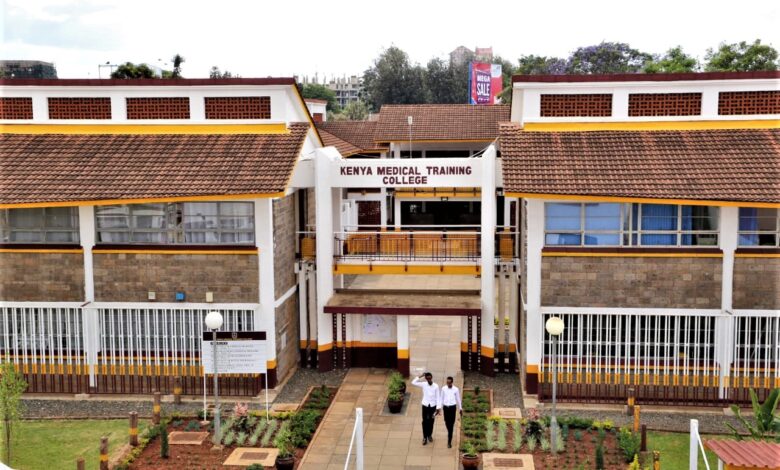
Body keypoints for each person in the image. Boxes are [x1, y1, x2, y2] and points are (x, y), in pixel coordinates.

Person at [411, 372, 440, 445]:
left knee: (431, 420)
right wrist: (421, 376)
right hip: (425, 405)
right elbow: (413, 382)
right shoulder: (423, 384)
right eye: (427, 378)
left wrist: (438, 408)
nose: (429, 379)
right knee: (424, 421)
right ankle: (424, 437)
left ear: (431, 377)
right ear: (426, 378)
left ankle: (429, 435)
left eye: (430, 378)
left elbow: (438, 397)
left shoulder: (436, 386)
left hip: (433, 406)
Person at [438, 376, 462, 448]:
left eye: (449, 382)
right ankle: (450, 431)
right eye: (447, 382)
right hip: (446, 408)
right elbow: (441, 398)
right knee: (446, 421)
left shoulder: (456, 389)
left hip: (452, 408)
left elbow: (458, 399)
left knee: (451, 424)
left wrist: (460, 408)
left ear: (452, 382)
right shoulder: (443, 389)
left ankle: (449, 441)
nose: (448, 384)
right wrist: (439, 408)